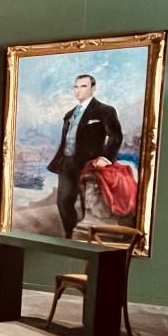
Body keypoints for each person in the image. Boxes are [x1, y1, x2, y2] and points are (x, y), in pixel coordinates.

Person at [47, 73, 123, 237]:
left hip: (88, 164)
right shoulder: (69, 114)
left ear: (93, 88)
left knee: (85, 203)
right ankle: (70, 236)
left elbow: (116, 136)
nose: (78, 90)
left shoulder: (105, 111)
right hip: (67, 163)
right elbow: (65, 140)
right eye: (76, 87)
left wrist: (106, 158)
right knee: (63, 202)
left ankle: (84, 238)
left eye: (83, 86)